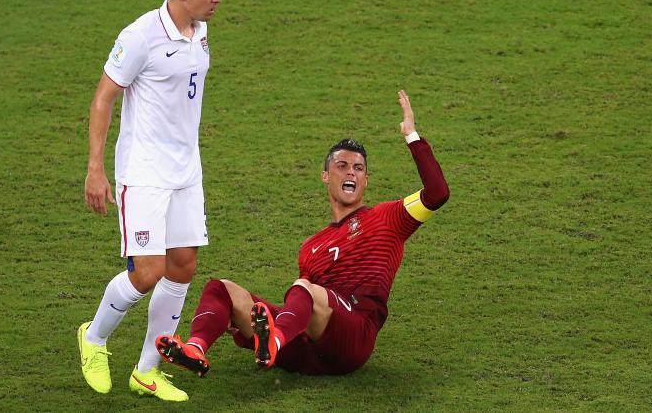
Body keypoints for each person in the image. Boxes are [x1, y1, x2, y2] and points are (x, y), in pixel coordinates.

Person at [154, 90, 450, 377]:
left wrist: (412, 136)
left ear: (366, 180)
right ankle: (196, 347)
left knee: (305, 288)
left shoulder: (389, 217)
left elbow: (437, 193)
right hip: (307, 350)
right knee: (222, 288)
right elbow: (305, 309)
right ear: (325, 176)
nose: (351, 173)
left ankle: (273, 340)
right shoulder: (311, 247)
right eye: (342, 166)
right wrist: (239, 318)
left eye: (359, 168)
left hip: (353, 339)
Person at [77, 0, 222, 402]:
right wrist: (96, 169)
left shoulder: (198, 31)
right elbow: (104, 96)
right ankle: (94, 338)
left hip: (186, 172)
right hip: (144, 174)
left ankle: (147, 370)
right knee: (148, 271)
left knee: (182, 266)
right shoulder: (140, 36)